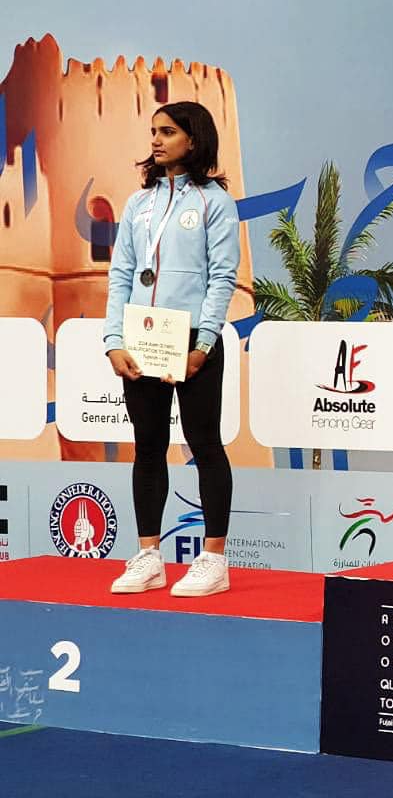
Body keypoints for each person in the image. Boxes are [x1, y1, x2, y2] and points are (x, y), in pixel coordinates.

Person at [103, 101, 241, 597]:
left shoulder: (215, 202)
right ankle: (149, 558)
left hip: (192, 340)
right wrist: (114, 341)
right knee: (147, 446)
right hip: (143, 339)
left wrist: (202, 345)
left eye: (167, 132)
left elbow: (222, 277)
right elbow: (121, 274)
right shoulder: (138, 204)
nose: (156, 140)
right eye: (154, 131)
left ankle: (214, 560)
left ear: (193, 139)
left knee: (204, 445)